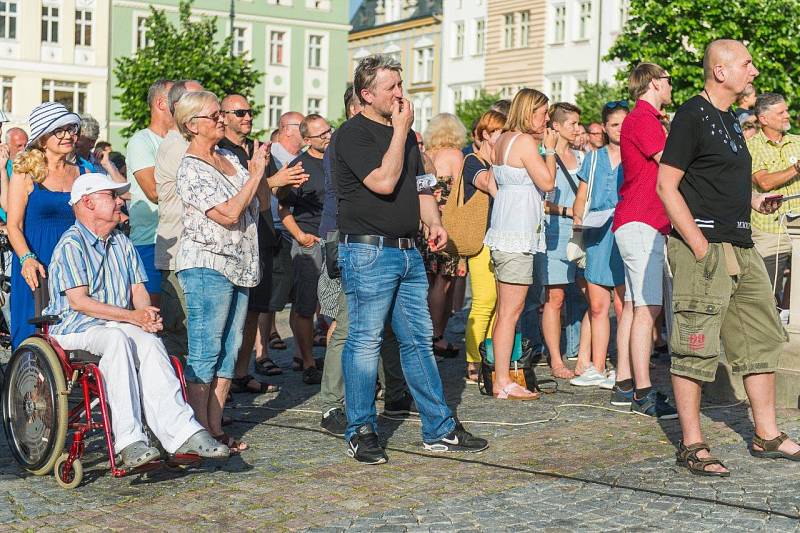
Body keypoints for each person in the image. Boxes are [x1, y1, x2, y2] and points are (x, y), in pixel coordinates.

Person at [335, 54, 488, 463]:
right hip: (368, 250)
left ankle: (438, 427)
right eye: (392, 88)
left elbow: (421, 183)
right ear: (366, 94)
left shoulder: (408, 136)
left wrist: (434, 220)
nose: (401, 95)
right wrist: (402, 130)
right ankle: (361, 428)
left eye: (401, 86)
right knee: (365, 342)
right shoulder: (353, 135)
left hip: (408, 252)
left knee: (418, 341)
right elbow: (383, 182)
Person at [657, 39, 799, 475]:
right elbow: (667, 186)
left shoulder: (733, 121)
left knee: (761, 337)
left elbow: (719, 181)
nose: (754, 71)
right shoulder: (691, 115)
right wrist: (698, 246)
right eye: (747, 63)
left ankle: (767, 434)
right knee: (695, 345)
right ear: (720, 71)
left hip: (742, 243)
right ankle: (693, 442)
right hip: (705, 247)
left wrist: (756, 204)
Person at [44, 173, 229, 467]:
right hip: (73, 327)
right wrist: (132, 316)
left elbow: (138, 290)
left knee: (151, 342)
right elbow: (80, 303)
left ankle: (182, 433)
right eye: (112, 196)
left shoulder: (121, 241)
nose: (120, 201)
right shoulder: (71, 244)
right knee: (117, 339)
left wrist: (145, 315)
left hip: (115, 324)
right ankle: (129, 440)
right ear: (88, 203)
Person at [174, 90, 271, 453]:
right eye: (214, 115)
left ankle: (215, 429)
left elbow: (260, 203)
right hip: (208, 265)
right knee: (205, 350)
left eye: (220, 115)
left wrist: (259, 171)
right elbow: (228, 214)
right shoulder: (190, 168)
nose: (221, 120)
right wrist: (255, 175)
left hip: (241, 265)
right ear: (192, 124)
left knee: (230, 350)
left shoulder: (231, 156)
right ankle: (197, 433)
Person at [318, 86, 413, 437]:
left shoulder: (388, 139)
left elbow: (417, 177)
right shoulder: (347, 141)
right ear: (358, 106)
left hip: (384, 241)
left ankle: (396, 392)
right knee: (349, 324)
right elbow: (379, 184)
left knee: (386, 322)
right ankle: (332, 403)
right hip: (348, 238)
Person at [218, 94, 306, 392]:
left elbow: (269, 193)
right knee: (232, 313)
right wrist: (276, 179)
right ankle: (222, 380)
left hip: (265, 234)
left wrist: (289, 184)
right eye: (240, 112)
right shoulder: (220, 150)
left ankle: (242, 372)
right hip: (236, 238)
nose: (247, 116)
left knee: (256, 309)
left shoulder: (256, 147)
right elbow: (236, 194)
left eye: (250, 111)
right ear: (224, 115)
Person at [611, 62, 677, 418]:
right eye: (667, 80)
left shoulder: (645, 118)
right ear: (653, 83)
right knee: (647, 308)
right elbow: (671, 165)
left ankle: (625, 385)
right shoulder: (644, 118)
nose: (670, 86)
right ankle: (643, 392)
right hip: (642, 220)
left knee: (638, 307)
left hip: (640, 220)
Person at [484, 88, 557, 399]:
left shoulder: (502, 140)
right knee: (511, 313)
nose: (546, 120)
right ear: (529, 113)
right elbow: (548, 183)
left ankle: (501, 377)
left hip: (506, 232)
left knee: (506, 312)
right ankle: (503, 379)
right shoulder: (525, 142)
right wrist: (550, 150)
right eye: (543, 114)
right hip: (515, 237)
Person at [7, 103, 82, 349]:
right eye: (59, 130)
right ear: (43, 137)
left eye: (71, 128)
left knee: (72, 337)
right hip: (38, 264)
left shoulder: (82, 172)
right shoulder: (26, 173)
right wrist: (26, 258)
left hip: (74, 264)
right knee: (33, 340)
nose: (68, 135)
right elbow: (14, 225)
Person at [570, 102, 628, 387]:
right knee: (597, 305)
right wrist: (578, 219)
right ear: (604, 127)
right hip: (597, 233)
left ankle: (625, 366)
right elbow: (582, 195)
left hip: (625, 232)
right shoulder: (593, 159)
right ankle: (597, 364)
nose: (620, 129)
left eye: (624, 124)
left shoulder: (636, 156)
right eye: (615, 124)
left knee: (623, 305)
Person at [535, 102, 590, 381]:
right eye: (572, 124)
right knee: (555, 298)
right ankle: (556, 359)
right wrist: (568, 211)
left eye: (578, 124)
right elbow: (540, 202)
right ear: (555, 126)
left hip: (581, 234)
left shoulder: (581, 157)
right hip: (555, 234)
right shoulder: (545, 157)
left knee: (592, 294)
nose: (578, 129)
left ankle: (585, 355)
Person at [278, 114, 331, 385]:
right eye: (320, 134)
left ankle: (334, 364)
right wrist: (300, 236)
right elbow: (283, 207)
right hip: (310, 242)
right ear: (307, 139)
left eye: (328, 130)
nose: (327, 136)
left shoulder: (338, 159)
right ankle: (308, 361)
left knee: (334, 305)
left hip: (336, 239)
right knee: (305, 305)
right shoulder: (300, 166)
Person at [154, 79, 204, 358]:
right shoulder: (177, 146)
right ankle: (184, 394)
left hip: (193, 255)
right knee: (182, 331)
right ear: (179, 107)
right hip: (180, 256)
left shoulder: (191, 144)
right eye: (199, 98)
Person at [419, 113, 467, 358]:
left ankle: (428, 332)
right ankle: (436, 335)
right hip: (448, 225)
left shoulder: (427, 155)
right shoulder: (455, 155)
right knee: (444, 282)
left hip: (426, 223)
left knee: (430, 281)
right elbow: (461, 193)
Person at [463, 109, 505, 384]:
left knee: (499, 304)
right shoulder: (472, 161)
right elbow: (491, 187)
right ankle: (473, 363)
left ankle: (489, 356)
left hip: (498, 237)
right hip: (479, 240)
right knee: (483, 302)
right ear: (486, 134)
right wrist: (493, 157)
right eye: (501, 133)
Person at [747, 93, 800, 303]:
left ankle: (789, 329)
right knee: (766, 292)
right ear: (764, 119)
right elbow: (764, 182)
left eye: (786, 110)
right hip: (768, 231)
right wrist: (795, 168)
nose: (787, 115)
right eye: (781, 112)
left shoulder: (797, 141)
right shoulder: (752, 146)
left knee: (797, 290)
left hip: (798, 229)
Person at [127, 79, 175, 305]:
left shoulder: (184, 141)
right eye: (178, 98)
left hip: (181, 241)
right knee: (155, 314)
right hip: (150, 241)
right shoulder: (141, 141)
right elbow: (153, 191)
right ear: (161, 103)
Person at [265, 111, 305, 355]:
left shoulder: (301, 156)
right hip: (275, 229)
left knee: (298, 294)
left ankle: (302, 353)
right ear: (286, 128)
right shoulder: (272, 155)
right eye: (302, 125)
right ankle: (264, 347)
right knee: (271, 294)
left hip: (299, 228)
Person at [75, 114, 126, 184]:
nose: (73, 140)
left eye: (79, 138)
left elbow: (123, 189)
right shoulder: (64, 161)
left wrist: (107, 164)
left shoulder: (102, 163)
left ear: (92, 142)